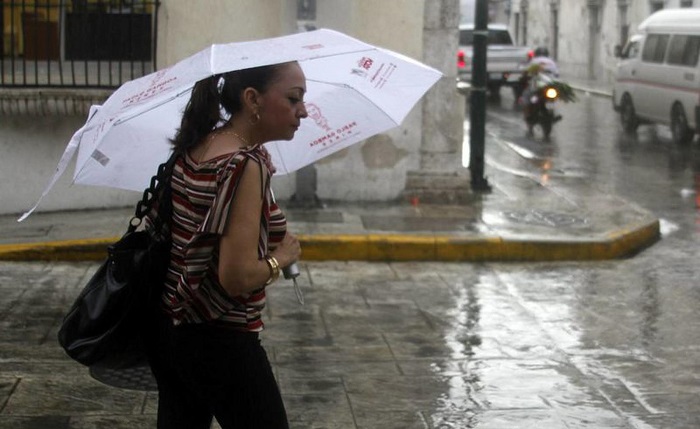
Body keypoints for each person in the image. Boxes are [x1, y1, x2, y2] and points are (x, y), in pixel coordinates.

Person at [146, 61, 307, 429]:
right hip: (223, 340)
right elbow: (235, 277)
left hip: (174, 329)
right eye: (294, 98)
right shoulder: (243, 165)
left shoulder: (200, 143)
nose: (304, 111)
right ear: (253, 99)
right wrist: (280, 259)